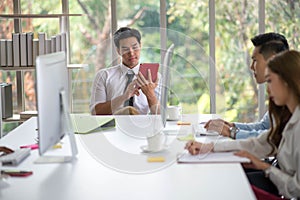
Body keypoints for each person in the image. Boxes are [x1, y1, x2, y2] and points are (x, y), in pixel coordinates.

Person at [185, 50, 300, 199]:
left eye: (270, 81)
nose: (268, 89)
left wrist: (265, 167)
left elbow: (296, 189)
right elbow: (257, 144)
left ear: (286, 80)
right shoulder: (289, 118)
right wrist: (209, 147)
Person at [205, 32, 289, 139]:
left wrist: (232, 132)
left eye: (255, 60)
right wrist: (230, 126)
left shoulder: (292, 94)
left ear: (272, 59)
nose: (251, 67)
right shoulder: (278, 90)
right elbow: (265, 126)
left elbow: (276, 138)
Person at [90, 27, 161, 115]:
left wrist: (150, 93)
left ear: (140, 45)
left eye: (135, 47)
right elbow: (95, 112)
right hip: (114, 127)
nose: (131, 53)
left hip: (144, 126)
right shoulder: (104, 75)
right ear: (118, 51)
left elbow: (161, 115)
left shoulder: (153, 76)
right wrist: (124, 97)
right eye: (125, 49)